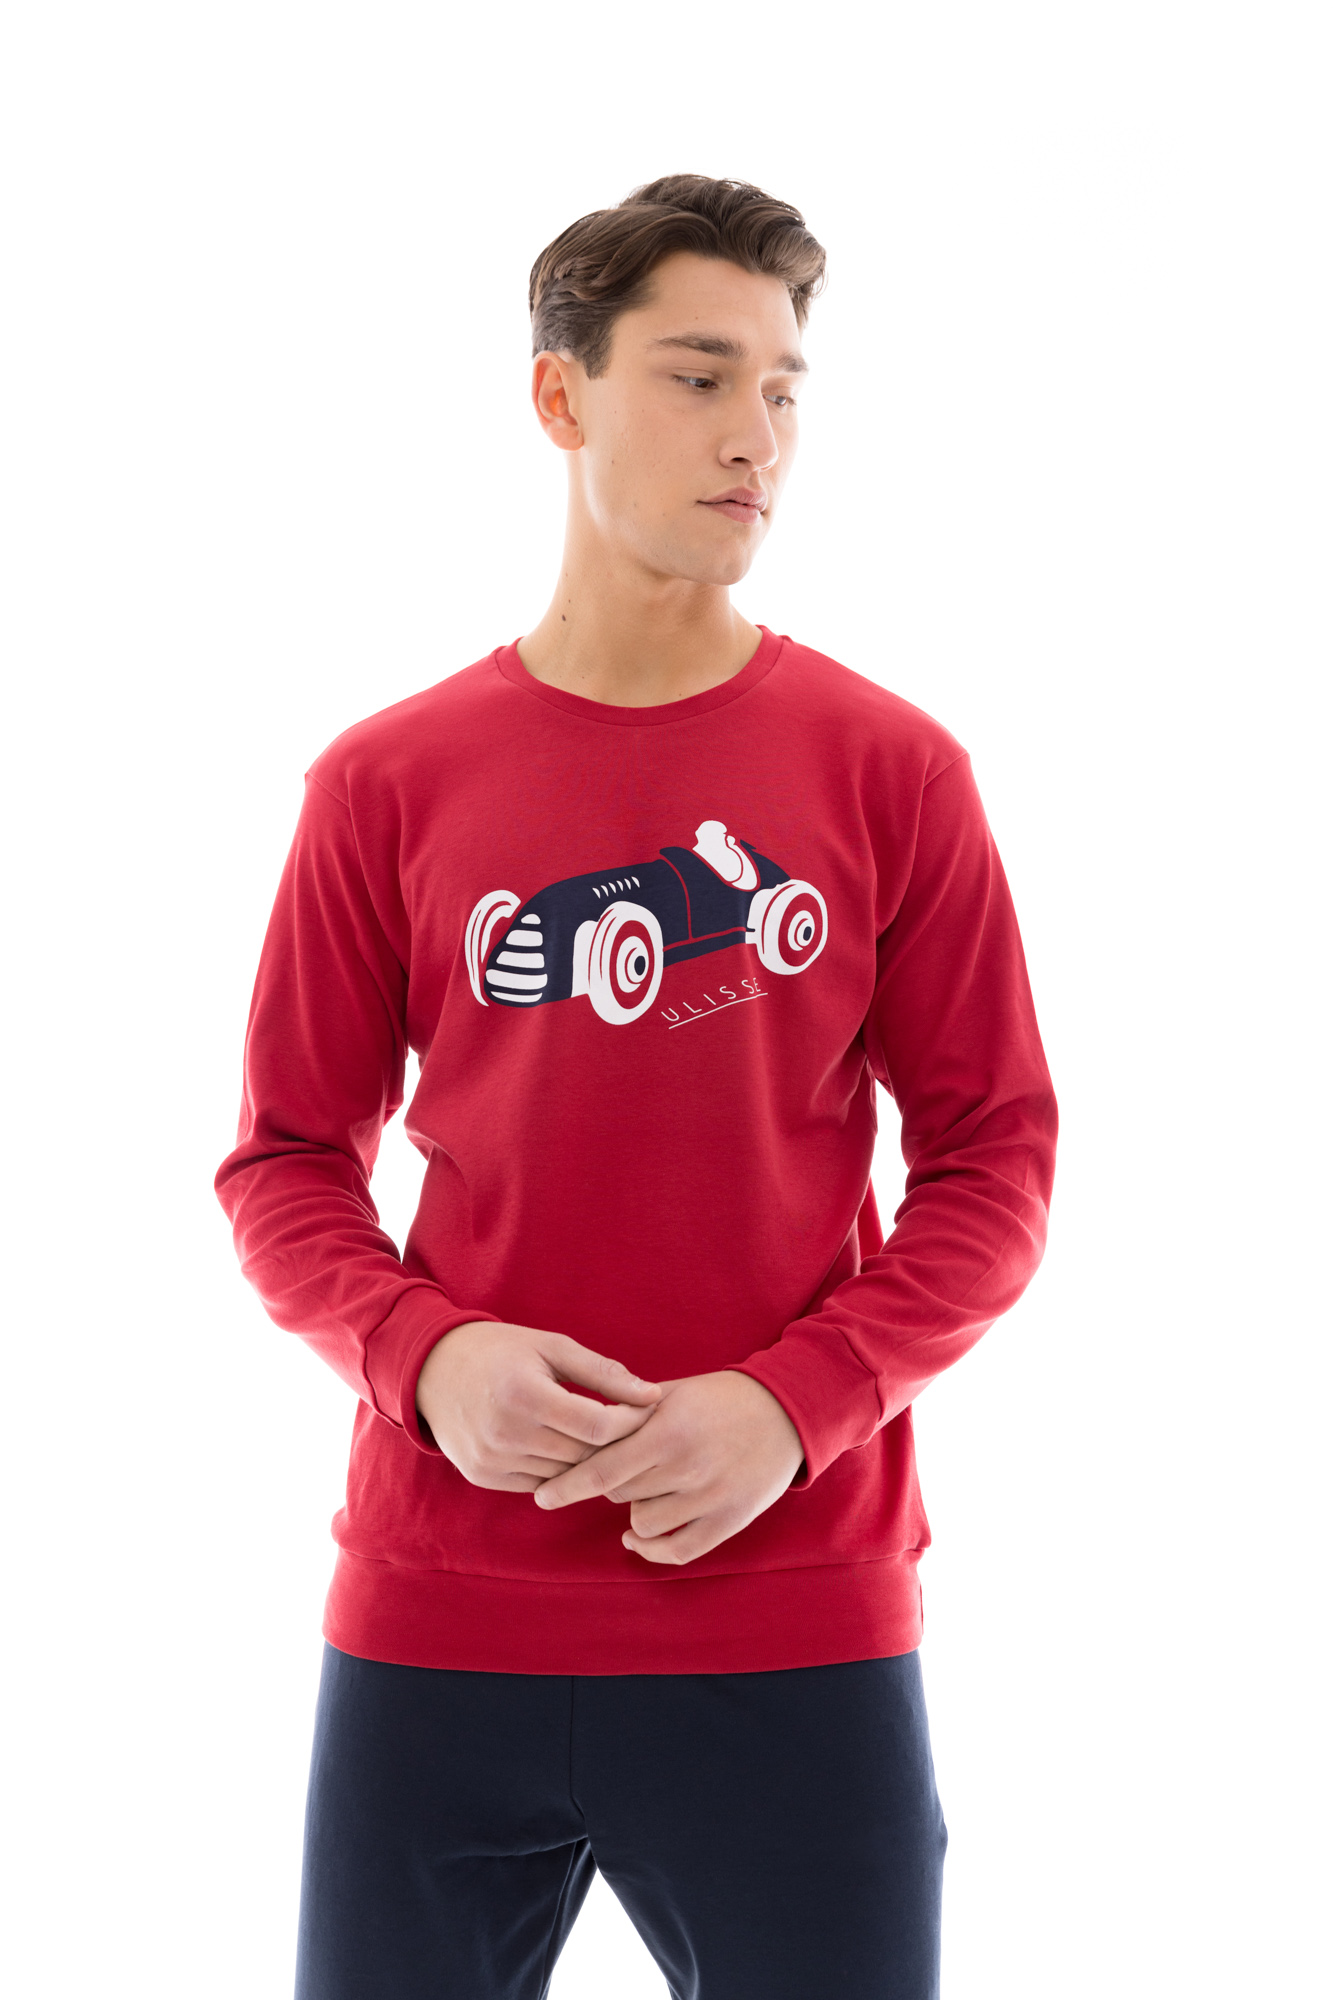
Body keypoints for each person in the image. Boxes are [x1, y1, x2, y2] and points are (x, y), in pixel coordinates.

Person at [215, 173, 1058, 2000]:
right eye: (696, 376)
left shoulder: (891, 770)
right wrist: (423, 1355)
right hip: (441, 1619)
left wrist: (795, 1404)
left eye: (782, 387)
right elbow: (282, 1160)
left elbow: (995, 1162)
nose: (756, 435)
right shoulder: (387, 782)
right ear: (560, 396)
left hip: (792, 1616)